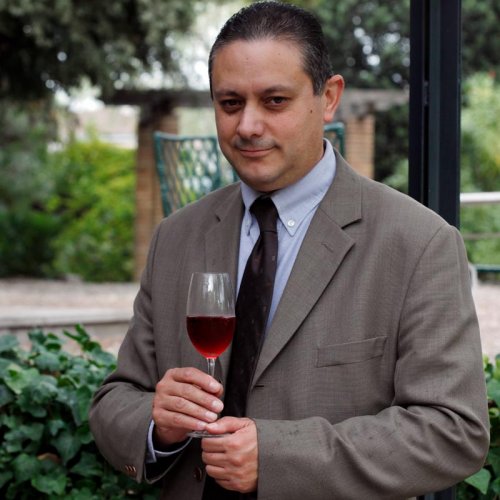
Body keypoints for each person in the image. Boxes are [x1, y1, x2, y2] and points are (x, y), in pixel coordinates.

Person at [89, 2, 489, 499]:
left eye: (274, 101)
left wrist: (278, 457)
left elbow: (454, 431)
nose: (248, 126)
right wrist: (156, 423)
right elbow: (114, 399)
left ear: (329, 98)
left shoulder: (418, 243)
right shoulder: (176, 238)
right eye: (230, 103)